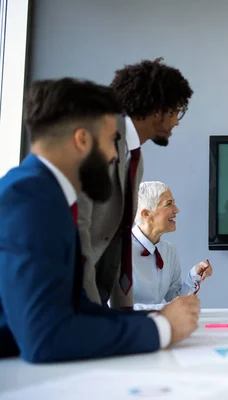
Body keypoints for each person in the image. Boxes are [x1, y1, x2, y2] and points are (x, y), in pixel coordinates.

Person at [0, 78, 199, 362]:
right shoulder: (28, 199)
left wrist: (150, 319)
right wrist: (162, 329)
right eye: (110, 141)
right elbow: (45, 338)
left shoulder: (46, 194)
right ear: (82, 140)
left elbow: (74, 308)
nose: (112, 155)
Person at [78, 58, 193, 309]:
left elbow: (118, 241)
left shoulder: (134, 158)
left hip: (101, 300)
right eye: (176, 111)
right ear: (157, 109)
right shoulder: (100, 145)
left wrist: (125, 314)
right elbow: (82, 237)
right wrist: (90, 313)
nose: (177, 121)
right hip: (75, 299)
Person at [132, 181, 213, 310]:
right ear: (146, 214)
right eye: (169, 204)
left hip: (158, 325)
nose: (177, 210)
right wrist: (163, 310)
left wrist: (194, 275)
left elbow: (174, 298)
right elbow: (116, 307)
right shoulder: (120, 250)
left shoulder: (169, 250)